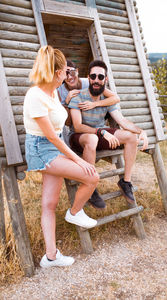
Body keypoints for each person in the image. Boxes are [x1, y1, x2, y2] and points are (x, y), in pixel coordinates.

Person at [23, 46, 100, 269]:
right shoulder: (35, 96)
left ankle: (50, 257)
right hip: (41, 150)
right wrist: (78, 159)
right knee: (91, 175)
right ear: (56, 73)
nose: (68, 77)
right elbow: (51, 138)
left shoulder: (54, 93)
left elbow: (57, 124)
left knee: (49, 204)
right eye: (65, 72)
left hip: (54, 147)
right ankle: (74, 213)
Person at [68, 60, 149, 206]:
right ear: (88, 78)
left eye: (100, 77)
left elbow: (122, 121)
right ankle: (90, 186)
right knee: (92, 139)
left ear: (105, 79)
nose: (96, 80)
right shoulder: (78, 97)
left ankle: (126, 182)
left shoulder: (107, 99)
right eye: (93, 77)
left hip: (100, 134)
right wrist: (101, 132)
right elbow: (78, 126)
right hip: (79, 138)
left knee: (130, 137)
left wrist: (141, 131)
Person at [58, 59, 120, 209]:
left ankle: (90, 185)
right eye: (65, 73)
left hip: (92, 129)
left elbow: (115, 98)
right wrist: (66, 102)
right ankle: (90, 185)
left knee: (97, 138)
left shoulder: (90, 81)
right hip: (70, 131)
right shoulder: (59, 90)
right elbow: (65, 122)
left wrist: (94, 104)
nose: (69, 76)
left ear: (77, 72)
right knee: (88, 140)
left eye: (72, 72)